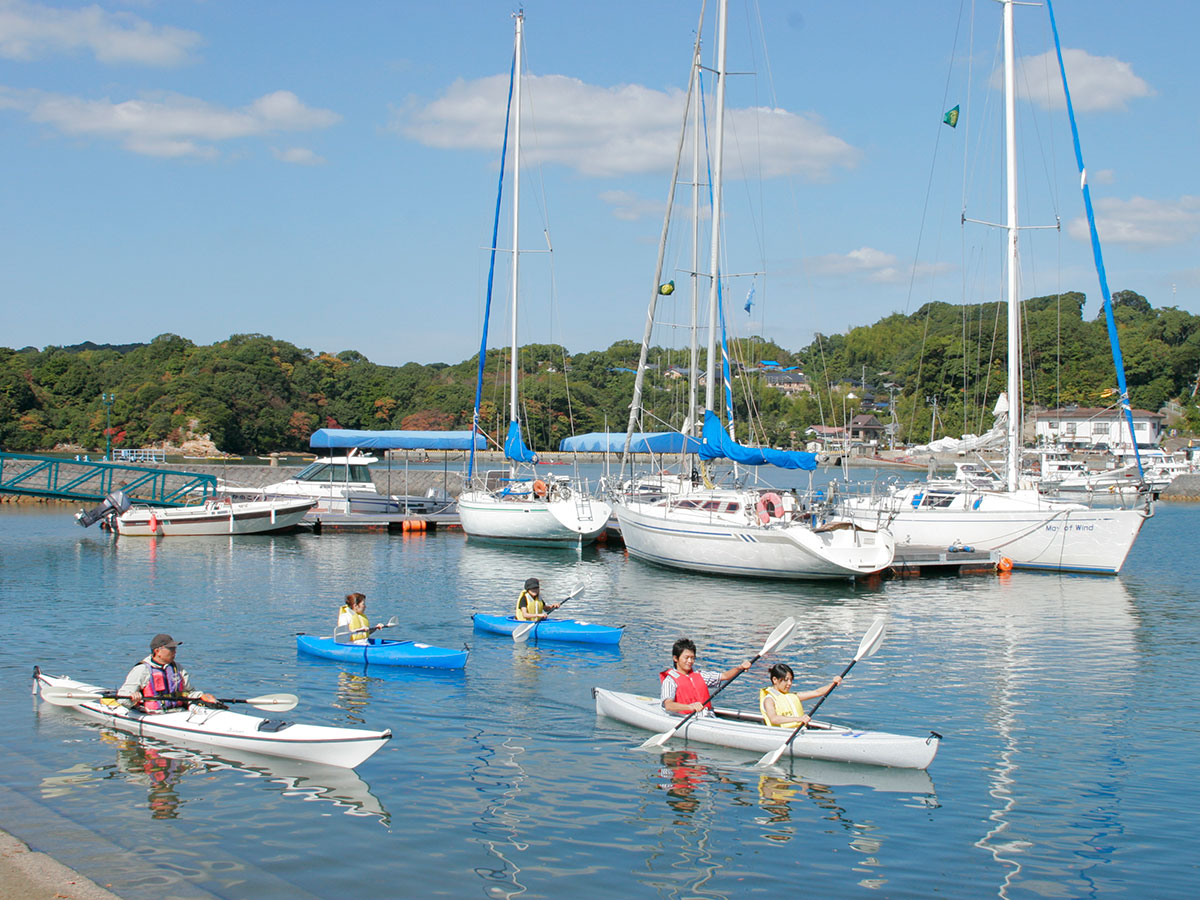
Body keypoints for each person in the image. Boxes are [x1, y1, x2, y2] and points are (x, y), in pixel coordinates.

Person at [118, 634, 217, 712]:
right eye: (171, 649)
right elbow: (122, 700)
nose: (175, 652)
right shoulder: (142, 670)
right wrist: (133, 699)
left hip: (178, 711)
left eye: (175, 648)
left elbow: (189, 692)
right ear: (157, 651)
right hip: (153, 714)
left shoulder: (177, 668)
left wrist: (202, 696)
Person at [660, 638, 752, 715]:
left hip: (706, 716)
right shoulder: (670, 680)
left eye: (692, 658)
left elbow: (724, 676)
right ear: (675, 658)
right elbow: (668, 705)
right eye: (686, 657)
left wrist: (740, 667)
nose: (690, 661)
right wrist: (690, 707)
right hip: (685, 717)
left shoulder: (700, 675)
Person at [758, 663, 842, 728]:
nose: (789, 684)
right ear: (775, 680)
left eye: (791, 680)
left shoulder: (792, 696)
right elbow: (774, 719)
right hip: (781, 734)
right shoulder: (769, 700)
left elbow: (817, 692)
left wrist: (833, 684)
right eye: (786, 680)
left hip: (797, 731)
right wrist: (799, 719)